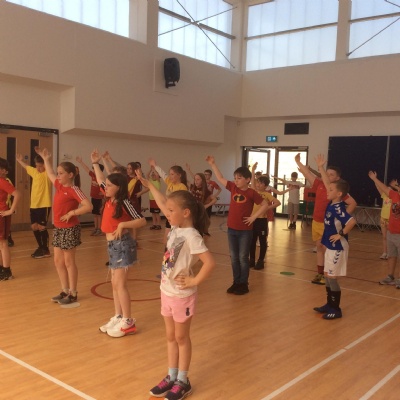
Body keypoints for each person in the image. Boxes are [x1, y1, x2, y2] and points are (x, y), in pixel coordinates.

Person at [136, 170, 215, 400]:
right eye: (168, 211)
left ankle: (183, 380)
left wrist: (194, 280)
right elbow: (163, 203)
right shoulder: (176, 229)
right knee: (170, 336)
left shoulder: (192, 235)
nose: (167, 213)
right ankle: (171, 376)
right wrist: (150, 185)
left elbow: (210, 263)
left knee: (181, 337)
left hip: (182, 295)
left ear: (185, 213)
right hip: (166, 291)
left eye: (171, 211)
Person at [91, 150, 146, 337]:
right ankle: (118, 315)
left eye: (109, 185)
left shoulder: (124, 202)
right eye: (106, 185)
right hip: (112, 246)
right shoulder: (108, 198)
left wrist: (123, 225)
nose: (105, 187)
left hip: (123, 245)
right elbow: (100, 179)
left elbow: (141, 220)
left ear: (118, 187)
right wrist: (95, 163)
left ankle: (128, 321)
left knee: (120, 284)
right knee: (114, 284)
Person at [35, 147, 92, 305]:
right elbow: (50, 173)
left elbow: (88, 206)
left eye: (61, 173)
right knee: (58, 261)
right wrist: (45, 159)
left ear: (70, 175)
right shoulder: (60, 186)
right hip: (58, 228)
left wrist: (72, 213)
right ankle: (65, 290)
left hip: (70, 228)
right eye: (58, 173)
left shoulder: (74, 189)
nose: (58, 175)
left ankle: (73, 293)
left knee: (68, 262)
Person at [206, 156, 269, 295]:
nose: (236, 180)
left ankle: (243, 284)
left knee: (242, 258)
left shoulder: (251, 192)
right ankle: (236, 282)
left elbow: (265, 204)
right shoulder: (233, 187)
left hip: (245, 231)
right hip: (232, 229)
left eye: (239, 178)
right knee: (234, 258)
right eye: (235, 178)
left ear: (247, 179)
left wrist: (253, 217)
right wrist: (213, 164)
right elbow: (220, 178)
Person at [295, 153, 357, 285]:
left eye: (331, 175)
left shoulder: (337, 191)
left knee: (326, 249)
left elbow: (352, 203)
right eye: (327, 174)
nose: (328, 176)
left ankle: (328, 274)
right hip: (316, 221)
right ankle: (320, 273)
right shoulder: (319, 184)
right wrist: (298, 162)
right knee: (319, 247)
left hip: (327, 224)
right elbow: (307, 173)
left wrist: (341, 218)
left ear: (337, 178)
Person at [313, 154, 356, 319]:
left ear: (338, 194)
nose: (327, 190)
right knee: (327, 276)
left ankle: (336, 309)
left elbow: (352, 221)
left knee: (332, 277)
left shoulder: (338, 208)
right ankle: (329, 304)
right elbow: (327, 183)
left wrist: (340, 234)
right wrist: (320, 168)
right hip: (329, 245)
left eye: (331, 190)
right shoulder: (333, 203)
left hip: (338, 247)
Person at [16, 153, 52, 258]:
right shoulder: (35, 172)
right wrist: (19, 160)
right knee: (34, 227)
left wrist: (45, 158)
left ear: (44, 165)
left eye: (40, 166)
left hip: (44, 205)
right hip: (34, 205)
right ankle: (41, 247)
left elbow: (49, 168)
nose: (38, 168)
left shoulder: (47, 174)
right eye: (37, 166)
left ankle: (46, 250)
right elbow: (26, 166)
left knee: (41, 227)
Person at [368, 171, 400, 287]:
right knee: (392, 255)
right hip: (392, 231)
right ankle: (390, 276)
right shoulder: (394, 195)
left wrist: (397, 186)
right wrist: (374, 179)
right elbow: (384, 188)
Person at [149, 159, 188, 245]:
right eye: (170, 174)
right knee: (165, 241)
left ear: (179, 175)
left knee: (176, 242)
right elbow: (163, 174)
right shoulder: (170, 183)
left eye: (172, 174)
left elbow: (182, 203)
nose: (170, 176)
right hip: (170, 215)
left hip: (177, 216)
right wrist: (155, 165)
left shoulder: (182, 187)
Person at [249, 174, 281, 269]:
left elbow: (278, 202)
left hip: (262, 221)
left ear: (265, 186)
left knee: (262, 241)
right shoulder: (254, 192)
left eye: (261, 183)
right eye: (258, 182)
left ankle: (260, 261)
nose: (258, 184)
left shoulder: (267, 194)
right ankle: (251, 260)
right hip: (253, 219)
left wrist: (267, 208)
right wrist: (253, 171)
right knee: (252, 241)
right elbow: (252, 182)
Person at [0, 158, 21, 281]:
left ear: (3, 170)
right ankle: (2, 268)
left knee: (3, 244)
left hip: (2, 214)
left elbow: (17, 194)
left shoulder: (3, 182)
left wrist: (11, 210)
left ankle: (7, 271)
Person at [369, 177, 398, 260]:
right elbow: (379, 187)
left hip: (390, 219)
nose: (387, 189)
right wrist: (374, 179)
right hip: (383, 218)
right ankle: (385, 252)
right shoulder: (385, 196)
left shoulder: (395, 196)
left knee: (390, 238)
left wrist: (396, 185)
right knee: (384, 237)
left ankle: (390, 253)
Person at [75, 156, 105, 236]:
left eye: (95, 169)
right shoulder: (93, 175)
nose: (93, 170)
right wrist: (81, 162)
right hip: (93, 197)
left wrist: (103, 193)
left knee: (99, 215)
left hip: (99, 199)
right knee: (95, 214)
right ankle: (96, 228)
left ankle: (100, 229)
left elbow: (106, 187)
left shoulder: (101, 178)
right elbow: (87, 169)